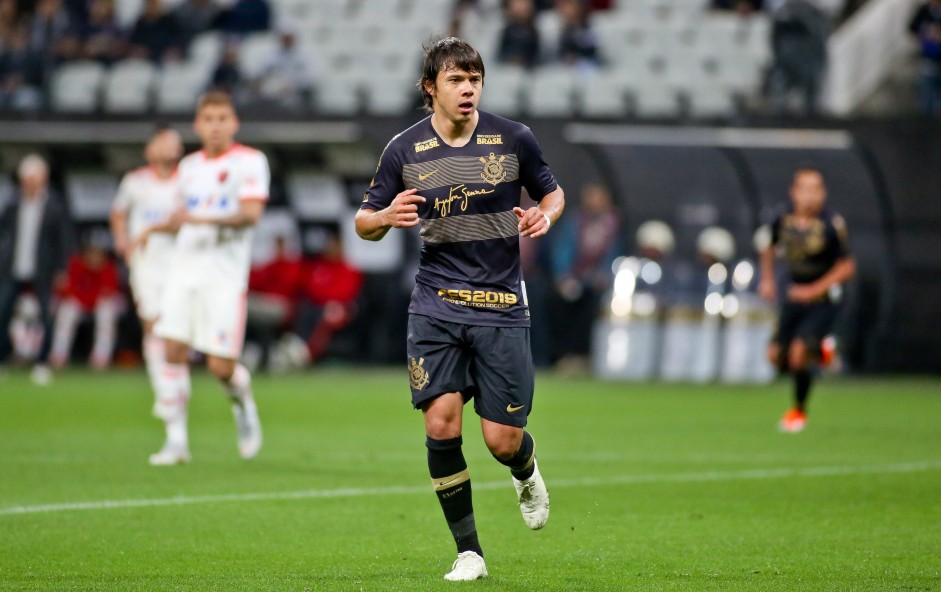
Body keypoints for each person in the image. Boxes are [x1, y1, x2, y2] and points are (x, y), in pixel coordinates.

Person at [355, 37, 564, 581]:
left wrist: (546, 214)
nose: (468, 87)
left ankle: (524, 467)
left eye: (474, 77)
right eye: (456, 78)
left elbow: (553, 192)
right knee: (442, 423)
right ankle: (469, 551)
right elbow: (364, 222)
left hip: (500, 307)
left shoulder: (513, 138)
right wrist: (384, 218)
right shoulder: (403, 150)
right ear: (431, 88)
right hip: (436, 305)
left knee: (501, 440)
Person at [133, 92, 269, 465]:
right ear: (197, 125)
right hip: (184, 270)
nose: (215, 126)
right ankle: (176, 442)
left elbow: (250, 214)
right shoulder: (189, 167)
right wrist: (153, 230)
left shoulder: (250, 162)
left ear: (234, 123)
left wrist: (198, 219)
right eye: (208, 119)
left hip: (223, 278)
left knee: (219, 367)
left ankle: (242, 403)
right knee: (171, 351)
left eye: (222, 118)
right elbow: (181, 215)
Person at [758, 166, 855, 433]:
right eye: (805, 190)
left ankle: (798, 411)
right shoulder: (781, 218)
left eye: (817, 190)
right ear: (794, 192)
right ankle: (822, 352)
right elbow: (767, 246)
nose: (811, 196)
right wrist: (766, 279)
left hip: (823, 299)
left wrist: (814, 289)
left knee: (799, 354)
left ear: (823, 193)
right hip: (793, 295)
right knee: (776, 356)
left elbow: (847, 266)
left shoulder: (831, 224)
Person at [110, 126, 185, 461]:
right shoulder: (135, 181)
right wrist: (122, 241)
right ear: (150, 148)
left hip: (182, 263)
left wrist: (152, 229)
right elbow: (118, 213)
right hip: (147, 266)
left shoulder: (189, 178)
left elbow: (187, 218)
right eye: (163, 140)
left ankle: (170, 390)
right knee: (153, 326)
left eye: (174, 141)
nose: (170, 146)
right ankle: (166, 393)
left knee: (175, 336)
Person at [0, 154, 76, 385]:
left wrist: (62, 269)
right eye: (27, 177)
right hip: (12, 267)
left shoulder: (54, 204)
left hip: (44, 269)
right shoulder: (12, 203)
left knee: (47, 316)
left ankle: (42, 363)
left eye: (36, 177)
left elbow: (64, 239)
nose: (31, 182)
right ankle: (2, 360)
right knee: (3, 313)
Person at [49, 239, 122, 370]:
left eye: (98, 253)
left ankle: (101, 358)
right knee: (67, 310)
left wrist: (90, 298)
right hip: (79, 302)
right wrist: (84, 300)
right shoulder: (75, 263)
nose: (95, 257)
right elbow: (67, 290)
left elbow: (109, 291)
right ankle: (59, 355)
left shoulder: (107, 267)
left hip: (98, 304)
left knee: (106, 311)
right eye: (91, 253)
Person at [908, 0, 941, 117]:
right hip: (929, 59)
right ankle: (927, 125)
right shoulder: (924, 11)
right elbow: (912, 28)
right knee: (927, 98)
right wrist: (926, 35)